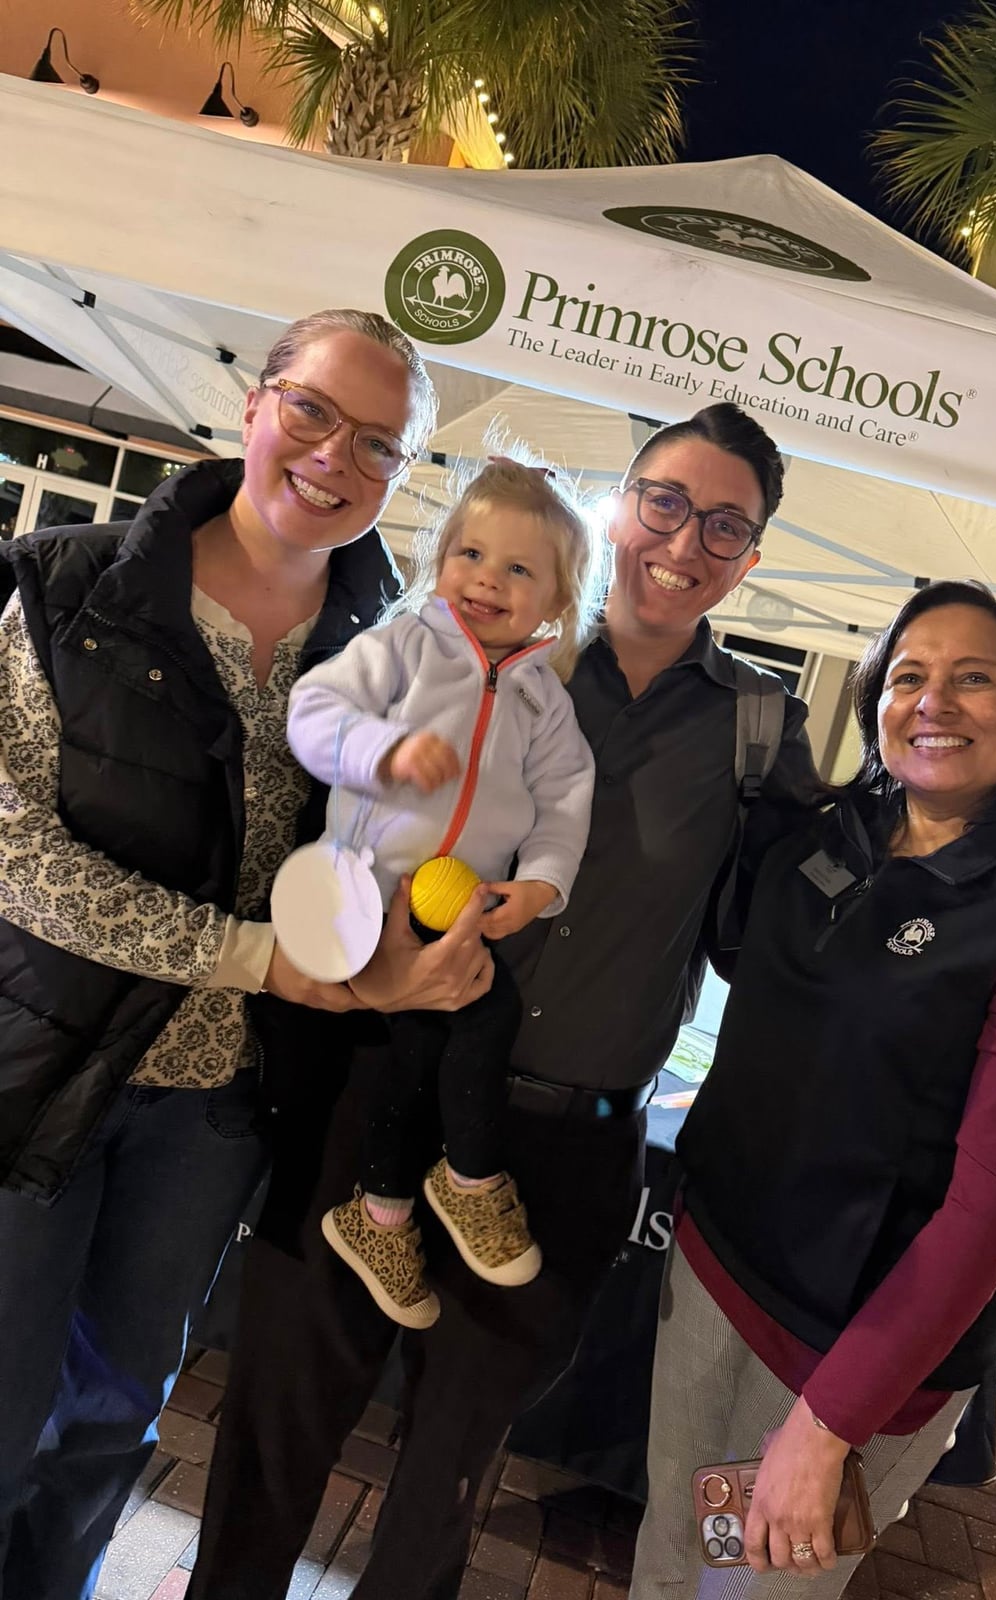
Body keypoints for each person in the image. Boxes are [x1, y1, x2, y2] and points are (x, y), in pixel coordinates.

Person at [186, 403, 824, 1600]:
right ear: (619, 503)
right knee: (278, 1423)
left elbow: (766, 940)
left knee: (449, 1476)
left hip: (564, 1147)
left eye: (726, 527)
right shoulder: (474, 644)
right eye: (666, 503)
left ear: (752, 557)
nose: (684, 544)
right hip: (379, 1090)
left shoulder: (756, 729)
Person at [0, 307, 493, 1600]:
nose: (335, 457)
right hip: (31, 1078)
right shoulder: (63, 586)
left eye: (380, 446)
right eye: (315, 411)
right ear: (254, 406)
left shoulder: (399, 661)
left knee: (109, 1421)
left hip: (215, 1117)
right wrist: (256, 959)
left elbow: (407, 851)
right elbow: (17, 861)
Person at [631, 581, 996, 1600]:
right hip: (716, 1267)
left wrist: (829, 1424)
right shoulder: (834, 832)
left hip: (841, 1351)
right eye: (910, 675)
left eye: (974, 679)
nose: (934, 700)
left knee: (744, 1593)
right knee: (671, 1553)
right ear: (875, 703)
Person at [280, 456, 600, 1322]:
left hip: (450, 911)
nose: (485, 580)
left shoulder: (544, 700)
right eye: (469, 554)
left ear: (558, 605)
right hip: (357, 893)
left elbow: (567, 804)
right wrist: (381, 751)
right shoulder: (403, 644)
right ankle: (464, 1178)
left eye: (518, 569)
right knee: (450, 1030)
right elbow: (312, 713)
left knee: (440, 1041)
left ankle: (389, 1210)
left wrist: (539, 887)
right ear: (439, 559)